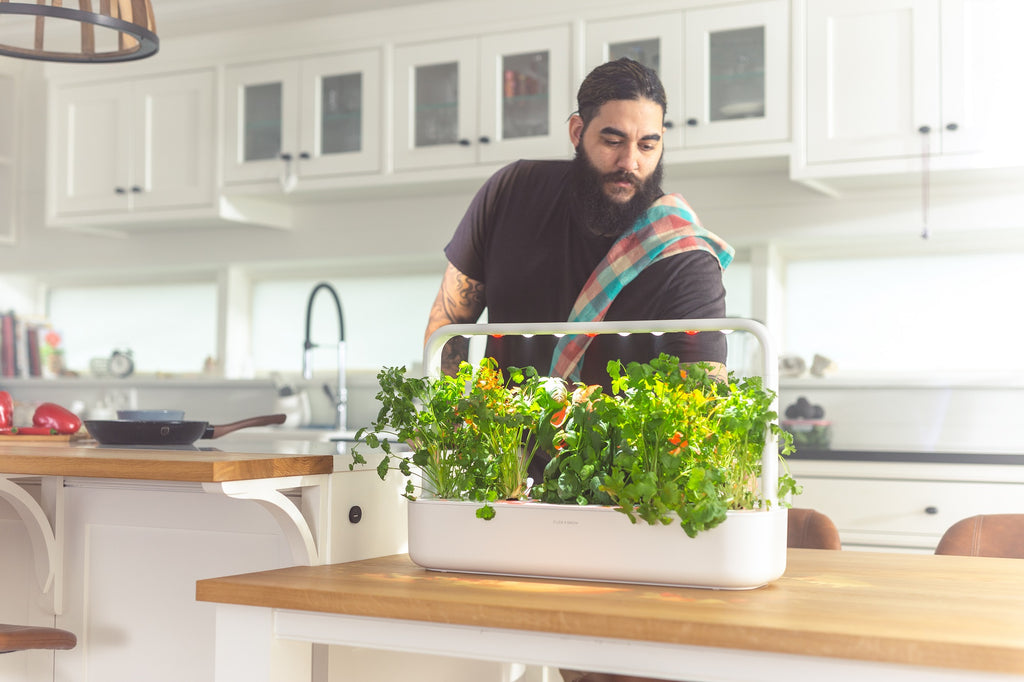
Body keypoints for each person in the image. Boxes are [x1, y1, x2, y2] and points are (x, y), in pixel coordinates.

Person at [423, 57, 733, 682]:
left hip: (620, 508)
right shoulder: (510, 193)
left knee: (603, 667)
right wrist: (460, 435)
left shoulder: (683, 261)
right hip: (502, 489)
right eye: (612, 140)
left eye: (648, 144)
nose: (631, 163)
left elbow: (701, 412)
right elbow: (448, 327)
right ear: (576, 132)